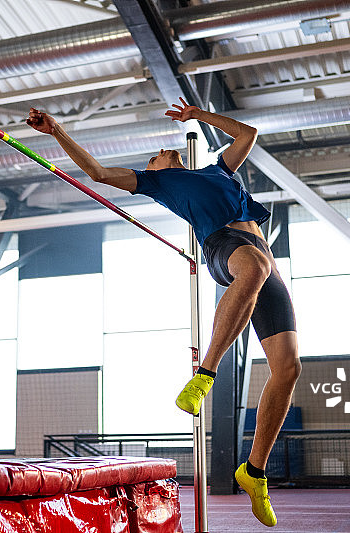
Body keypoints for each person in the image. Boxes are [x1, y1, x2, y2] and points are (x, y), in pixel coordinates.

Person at [26, 99, 300, 528]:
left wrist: (198, 115)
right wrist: (57, 130)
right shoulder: (157, 182)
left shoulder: (217, 170)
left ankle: (254, 471)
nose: (159, 152)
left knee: (288, 368)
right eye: (153, 156)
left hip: (263, 260)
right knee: (255, 267)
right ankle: (205, 375)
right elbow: (98, 173)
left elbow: (247, 134)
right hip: (224, 247)